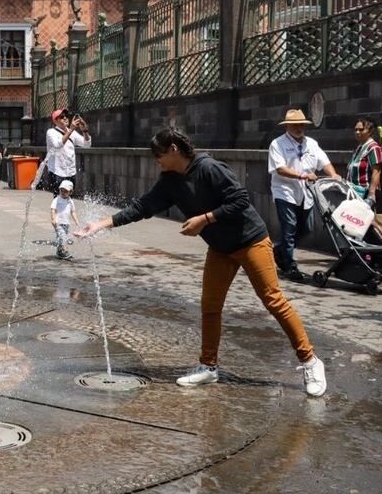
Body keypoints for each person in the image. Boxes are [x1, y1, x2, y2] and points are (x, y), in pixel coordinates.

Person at [75, 128, 327, 397]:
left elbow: (240, 200)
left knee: (273, 300)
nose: (155, 160)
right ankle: (208, 367)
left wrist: (204, 219)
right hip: (220, 248)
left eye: (158, 154)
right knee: (210, 306)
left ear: (173, 149)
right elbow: (144, 206)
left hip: (251, 240)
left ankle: (310, 361)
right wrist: (102, 224)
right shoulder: (171, 180)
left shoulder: (209, 168)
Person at [268, 109, 338, 281]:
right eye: (295, 125)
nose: (299, 128)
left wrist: (334, 175)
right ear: (287, 126)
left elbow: (324, 162)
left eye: (301, 125)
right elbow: (280, 168)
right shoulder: (277, 144)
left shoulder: (311, 144)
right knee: (289, 226)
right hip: (285, 191)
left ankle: (280, 250)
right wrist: (302, 175)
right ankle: (290, 266)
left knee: (306, 227)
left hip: (306, 193)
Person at [348, 117, 382, 245]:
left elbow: (376, 171)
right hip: (353, 192)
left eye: (361, 129)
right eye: (355, 129)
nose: (357, 132)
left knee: (367, 224)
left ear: (370, 131)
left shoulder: (373, 147)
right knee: (355, 224)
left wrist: (371, 194)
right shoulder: (359, 147)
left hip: (365, 193)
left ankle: (381, 253)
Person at [43, 108, 91, 194]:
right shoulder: (51, 132)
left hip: (70, 172)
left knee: (69, 200)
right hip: (57, 172)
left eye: (66, 116)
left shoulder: (72, 132)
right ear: (55, 121)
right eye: (61, 117)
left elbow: (87, 145)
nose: (65, 118)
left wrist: (85, 130)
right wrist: (71, 129)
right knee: (58, 200)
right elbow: (58, 145)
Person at [50, 179, 79, 259]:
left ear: (70, 192)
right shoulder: (57, 199)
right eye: (61, 190)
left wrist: (76, 220)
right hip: (58, 222)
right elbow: (52, 209)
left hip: (66, 224)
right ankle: (65, 251)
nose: (63, 192)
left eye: (65, 191)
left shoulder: (70, 201)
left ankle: (59, 252)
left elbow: (73, 212)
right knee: (63, 237)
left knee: (61, 238)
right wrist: (53, 219)